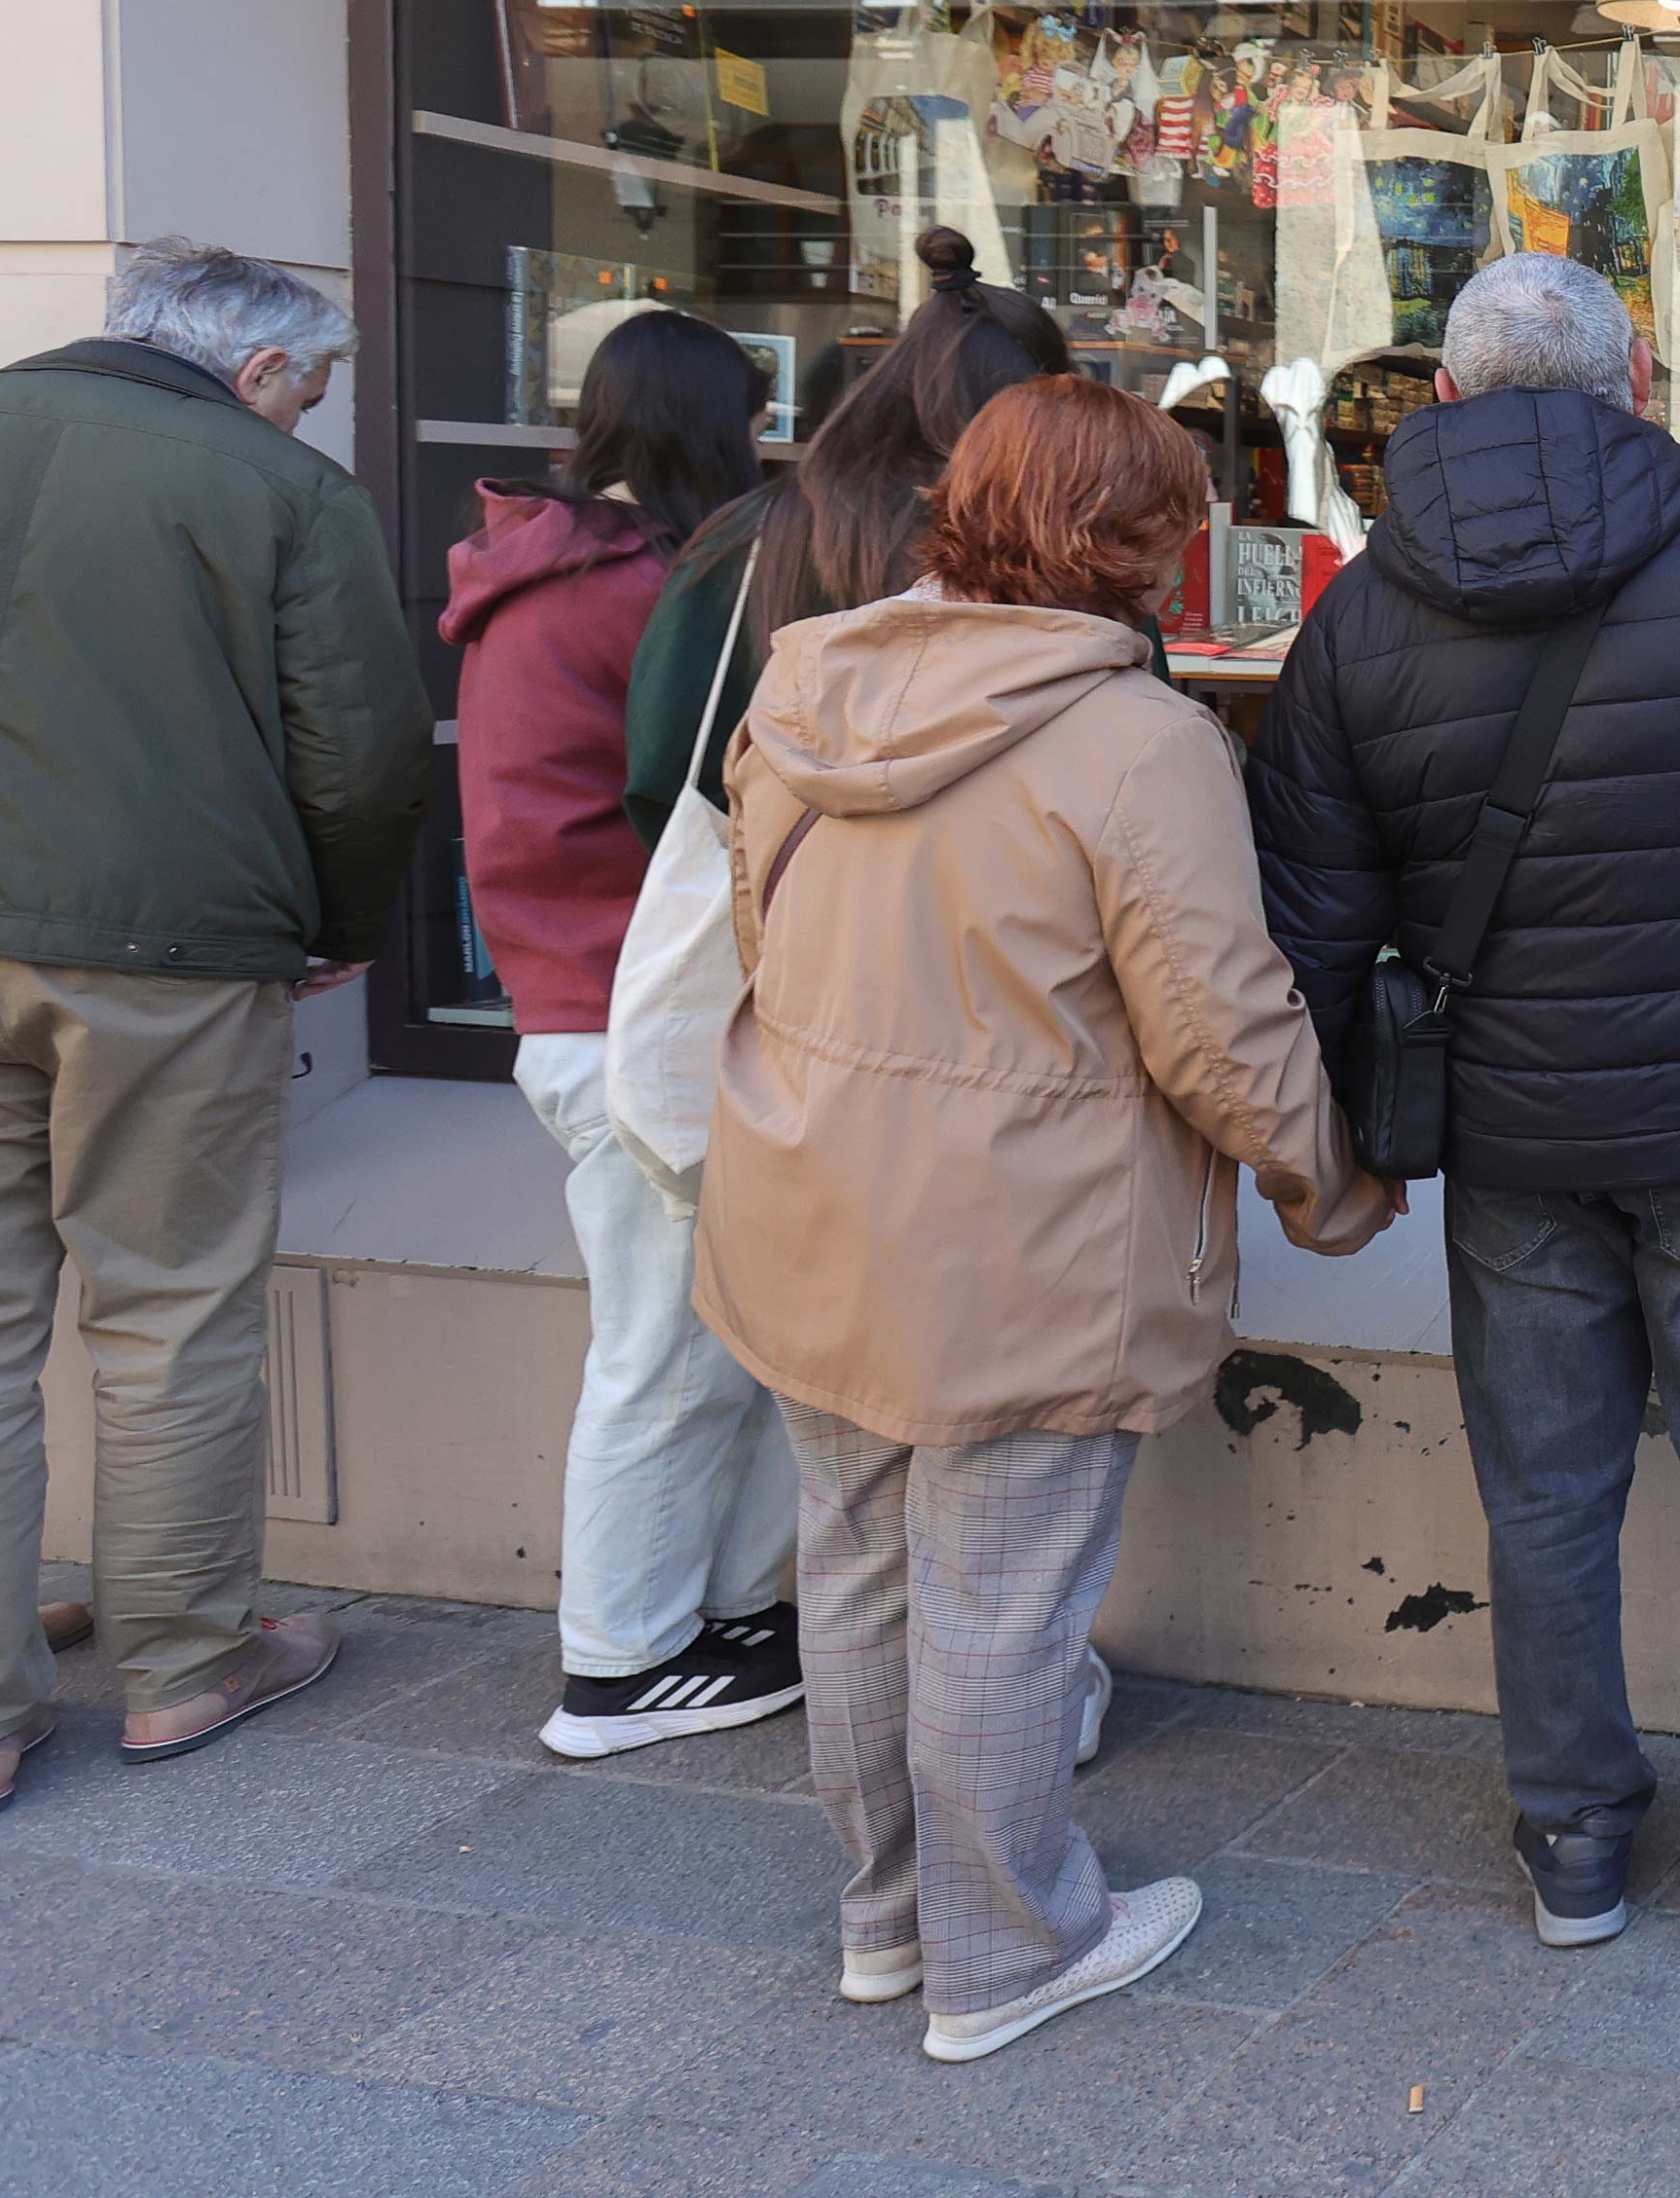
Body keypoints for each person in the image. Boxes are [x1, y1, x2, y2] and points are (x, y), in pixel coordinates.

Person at [1248, 254, 1680, 1976]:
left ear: (1447, 400)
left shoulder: (1359, 613)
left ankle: (1574, 1832)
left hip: (1513, 1132)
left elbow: (1312, 908)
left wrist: (1357, 1103)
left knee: (1546, 1492)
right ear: (1634, 381)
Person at [697, 376, 1395, 2062]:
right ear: (1121, 542)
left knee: (855, 1571)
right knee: (1000, 1604)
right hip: (1025, 1238)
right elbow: (1220, 1027)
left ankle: (886, 1922)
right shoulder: (1134, 740)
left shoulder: (808, 678)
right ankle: (1008, 1949)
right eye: (1168, 522)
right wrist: (1332, 1179)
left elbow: (752, 929)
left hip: (805, 1197)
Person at [0, 240, 422, 1828]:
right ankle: (187, 1661)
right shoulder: (281, 489)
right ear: (263, 373)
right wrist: (339, 925)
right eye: (315, 389)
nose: (314, 416)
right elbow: (363, 754)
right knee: (172, 1314)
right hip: (171, 955)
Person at [444, 308, 802, 1759]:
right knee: (665, 1350)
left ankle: (698, 1620)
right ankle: (617, 1661)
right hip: (632, 1010)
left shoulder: (549, 567)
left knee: (704, 1345)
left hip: (572, 998)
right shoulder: (640, 586)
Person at [623, 227, 1070, 856]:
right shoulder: (1070, 548)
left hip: (784, 923)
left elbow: (665, 764)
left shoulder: (751, 537)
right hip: (1015, 923)